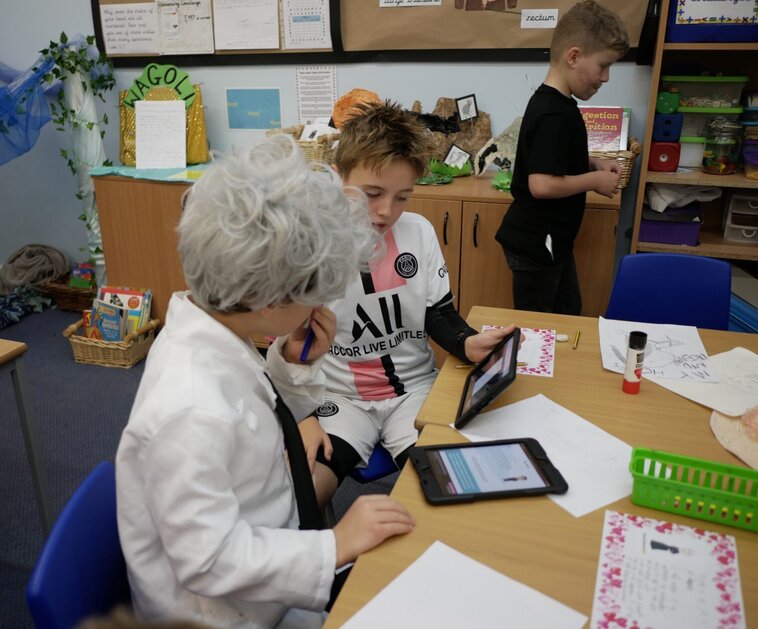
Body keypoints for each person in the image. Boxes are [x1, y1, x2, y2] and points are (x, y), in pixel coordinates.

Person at [115, 134, 415, 629]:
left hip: (269, 572)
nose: (320, 306)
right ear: (269, 300)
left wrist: (294, 369)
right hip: (225, 614)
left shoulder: (213, 331)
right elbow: (209, 560)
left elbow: (250, 409)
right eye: (315, 293)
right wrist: (334, 544)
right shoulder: (189, 409)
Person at [298, 101, 516, 508]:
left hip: (414, 391)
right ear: (338, 177)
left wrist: (467, 342)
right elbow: (289, 349)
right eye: (372, 194)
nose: (387, 212)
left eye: (403, 197)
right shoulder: (313, 245)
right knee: (305, 495)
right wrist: (303, 418)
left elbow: (438, 313)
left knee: (454, 490)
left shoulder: (418, 232)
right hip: (340, 396)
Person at [495, 0, 629, 315]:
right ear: (573, 57)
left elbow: (555, 160)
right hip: (536, 245)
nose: (606, 77)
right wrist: (595, 180)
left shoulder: (560, 105)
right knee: (540, 325)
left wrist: (593, 164)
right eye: (603, 66)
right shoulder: (553, 112)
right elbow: (541, 184)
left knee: (568, 313)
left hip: (552, 244)